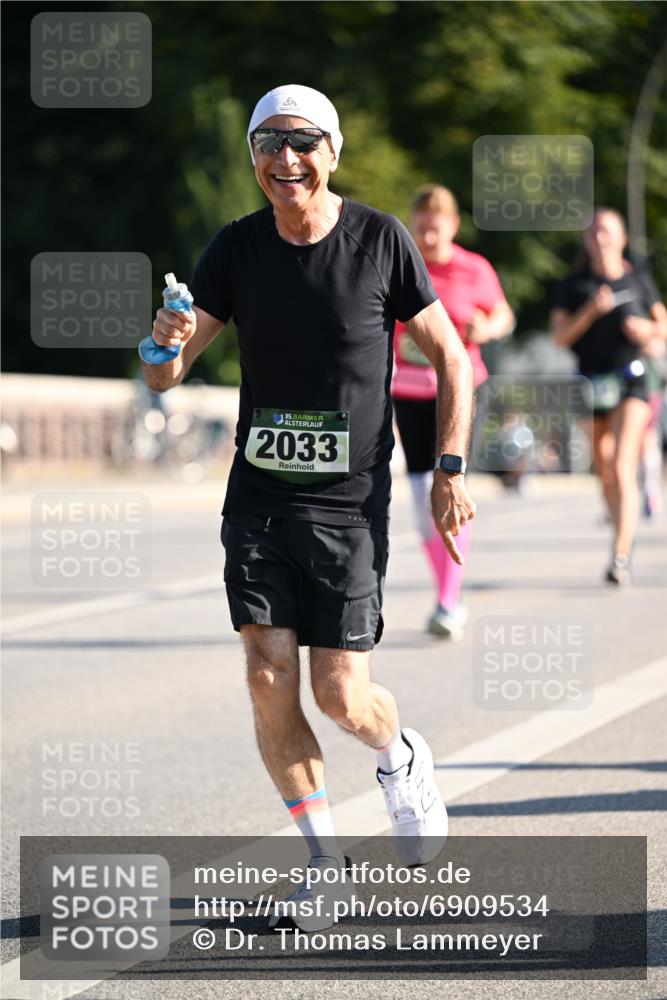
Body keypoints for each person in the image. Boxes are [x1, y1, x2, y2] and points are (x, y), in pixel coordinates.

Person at [141, 85, 476, 928]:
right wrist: (163, 341)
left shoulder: (379, 242)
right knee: (263, 673)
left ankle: (400, 757)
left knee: (340, 696)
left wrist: (447, 466)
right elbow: (163, 375)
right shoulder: (237, 249)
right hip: (258, 496)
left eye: (300, 143)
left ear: (332, 151)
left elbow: (452, 359)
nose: (282, 160)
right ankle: (326, 863)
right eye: (266, 143)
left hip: (349, 501)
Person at [391, 185, 513, 638]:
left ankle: (448, 600)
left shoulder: (473, 268)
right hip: (408, 391)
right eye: (420, 221)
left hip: (459, 393)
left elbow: (503, 315)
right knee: (422, 495)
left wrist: (488, 326)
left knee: (450, 486)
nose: (427, 229)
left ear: (453, 225)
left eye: (436, 221)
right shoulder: (401, 264)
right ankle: (445, 590)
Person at [550, 208, 667, 584]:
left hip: (630, 379)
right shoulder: (574, 284)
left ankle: (620, 554)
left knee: (620, 463)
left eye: (608, 231)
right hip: (588, 381)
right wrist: (590, 311)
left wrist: (647, 329)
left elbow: (663, 327)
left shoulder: (639, 280)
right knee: (602, 466)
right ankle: (619, 519)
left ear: (622, 239)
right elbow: (560, 337)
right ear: (587, 239)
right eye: (595, 231)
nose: (601, 237)